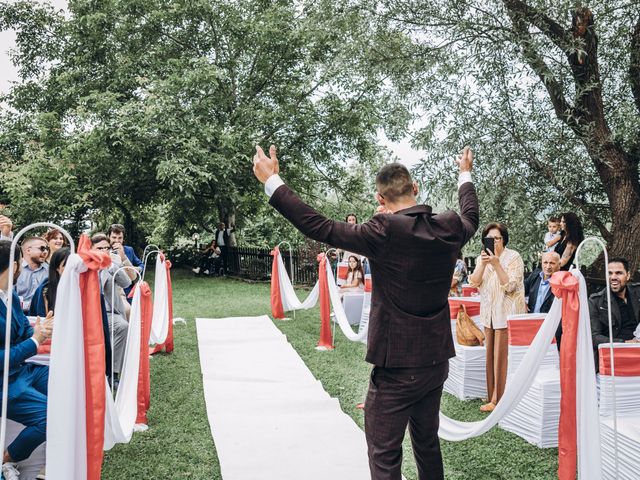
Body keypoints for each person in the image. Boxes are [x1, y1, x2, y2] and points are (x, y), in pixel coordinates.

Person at [252, 144, 478, 480]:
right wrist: (464, 172)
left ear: (380, 199)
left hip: (397, 369)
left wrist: (273, 182)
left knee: (385, 453)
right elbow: (471, 214)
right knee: (427, 443)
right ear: (415, 188)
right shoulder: (448, 226)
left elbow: (320, 227)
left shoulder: (383, 231)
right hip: (435, 361)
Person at [0, 240, 53, 480]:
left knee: (69, 384)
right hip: (4, 381)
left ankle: (57, 455)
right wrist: (34, 342)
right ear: (13, 265)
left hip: (23, 369)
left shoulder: (8, 292)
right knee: (51, 416)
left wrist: (36, 330)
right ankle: (6, 459)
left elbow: (21, 326)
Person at [468, 222, 526, 413]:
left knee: (502, 358)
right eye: (490, 239)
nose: (494, 242)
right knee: (490, 357)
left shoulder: (513, 257)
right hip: (489, 315)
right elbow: (474, 282)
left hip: (507, 315)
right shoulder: (481, 259)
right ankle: (491, 393)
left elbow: (510, 286)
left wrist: (496, 264)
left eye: (497, 238)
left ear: (504, 239)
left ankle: (499, 400)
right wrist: (484, 264)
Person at [91, 234, 132, 378]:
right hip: (89, 313)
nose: (103, 251)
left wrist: (114, 266)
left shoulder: (112, 265)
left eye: (106, 248)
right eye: (99, 248)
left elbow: (127, 283)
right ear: (91, 249)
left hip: (109, 313)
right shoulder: (84, 265)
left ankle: (113, 373)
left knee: (123, 326)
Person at [589, 257, 640, 372]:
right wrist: (625, 343)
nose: (613, 277)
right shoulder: (596, 301)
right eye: (610, 273)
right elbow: (594, 337)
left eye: (619, 273)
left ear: (627, 275)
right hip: (613, 357)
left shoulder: (637, 293)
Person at [29, 248, 71, 317]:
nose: (71, 268)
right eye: (66, 265)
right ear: (57, 268)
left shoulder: (81, 287)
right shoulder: (45, 289)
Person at [15, 238, 50, 313]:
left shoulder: (49, 271)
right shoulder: (15, 269)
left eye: (47, 249)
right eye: (42, 248)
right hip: (17, 314)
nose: (46, 252)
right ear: (28, 250)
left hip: (42, 316)